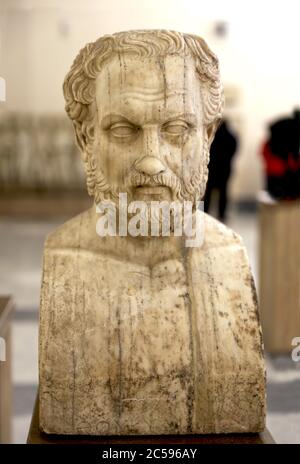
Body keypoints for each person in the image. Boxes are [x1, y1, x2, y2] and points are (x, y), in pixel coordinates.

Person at [39, 30, 265, 436]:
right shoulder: (62, 257)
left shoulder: (229, 256)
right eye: (124, 131)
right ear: (86, 139)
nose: (151, 162)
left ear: (208, 136)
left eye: (177, 129)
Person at [204, 119, 238, 221]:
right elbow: (234, 150)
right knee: (223, 192)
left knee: (208, 192)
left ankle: (206, 212)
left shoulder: (211, 137)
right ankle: (221, 214)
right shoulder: (231, 136)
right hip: (225, 169)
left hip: (212, 168)